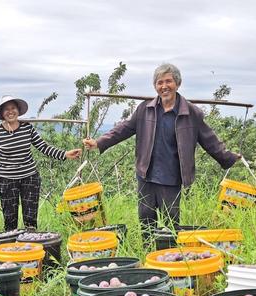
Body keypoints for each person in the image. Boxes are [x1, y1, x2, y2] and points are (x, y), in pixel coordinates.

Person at [83, 63, 244, 228]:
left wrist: (228, 157)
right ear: (155, 86)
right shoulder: (145, 109)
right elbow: (123, 129)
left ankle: (169, 253)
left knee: (170, 224)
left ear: (177, 83)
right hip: (146, 176)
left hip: (172, 178)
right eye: (160, 83)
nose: (164, 86)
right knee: (146, 223)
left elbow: (209, 140)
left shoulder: (191, 113)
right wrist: (99, 142)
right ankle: (147, 252)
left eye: (168, 81)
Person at [0, 95, 82, 231]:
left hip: (30, 179)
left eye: (13, 108)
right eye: (6, 109)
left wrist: (65, 154)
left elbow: (44, 147)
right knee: (10, 222)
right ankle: (11, 249)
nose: (10, 111)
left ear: (18, 110)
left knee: (30, 221)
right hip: (7, 182)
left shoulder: (27, 128)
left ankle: (31, 247)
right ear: (2, 113)